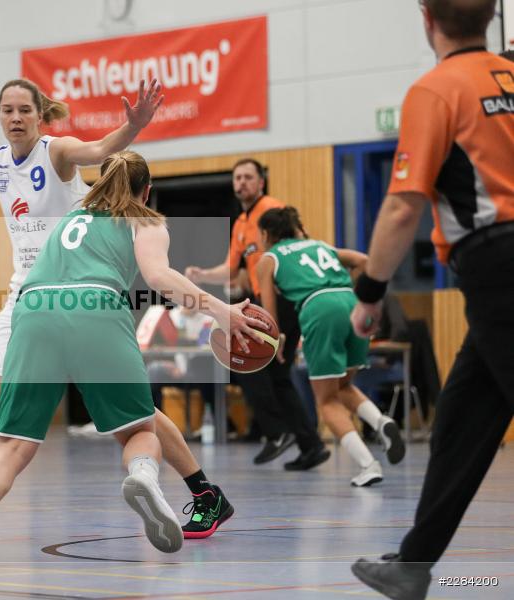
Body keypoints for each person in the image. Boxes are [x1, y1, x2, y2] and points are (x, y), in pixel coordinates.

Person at [0, 150, 261, 567]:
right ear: (146, 191)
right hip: (94, 305)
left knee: (12, 447)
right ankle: (144, 478)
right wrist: (222, 311)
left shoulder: (70, 219)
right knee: (138, 430)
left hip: (32, 310)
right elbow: (159, 278)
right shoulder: (144, 219)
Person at [349, 2, 514, 598]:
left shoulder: (438, 89)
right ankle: (413, 566)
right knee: (463, 417)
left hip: (499, 263)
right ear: (492, 16)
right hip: (496, 275)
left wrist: (369, 295)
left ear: (426, 19)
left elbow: (401, 206)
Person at [185, 159, 329, 469]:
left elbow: (302, 246)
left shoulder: (274, 210)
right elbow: (230, 269)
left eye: (248, 177)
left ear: (260, 182)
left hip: (282, 297)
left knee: (244, 363)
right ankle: (310, 444)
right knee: (278, 376)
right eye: (237, 178)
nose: (241, 183)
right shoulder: (239, 223)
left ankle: (277, 433)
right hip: (261, 301)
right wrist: (202, 274)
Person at [256, 207, 405, 487]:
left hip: (319, 307)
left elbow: (269, 311)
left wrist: (275, 339)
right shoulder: (320, 245)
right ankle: (381, 422)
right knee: (343, 386)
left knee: (326, 401)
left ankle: (368, 464)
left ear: (266, 234)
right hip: (352, 301)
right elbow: (364, 261)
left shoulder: (268, 258)